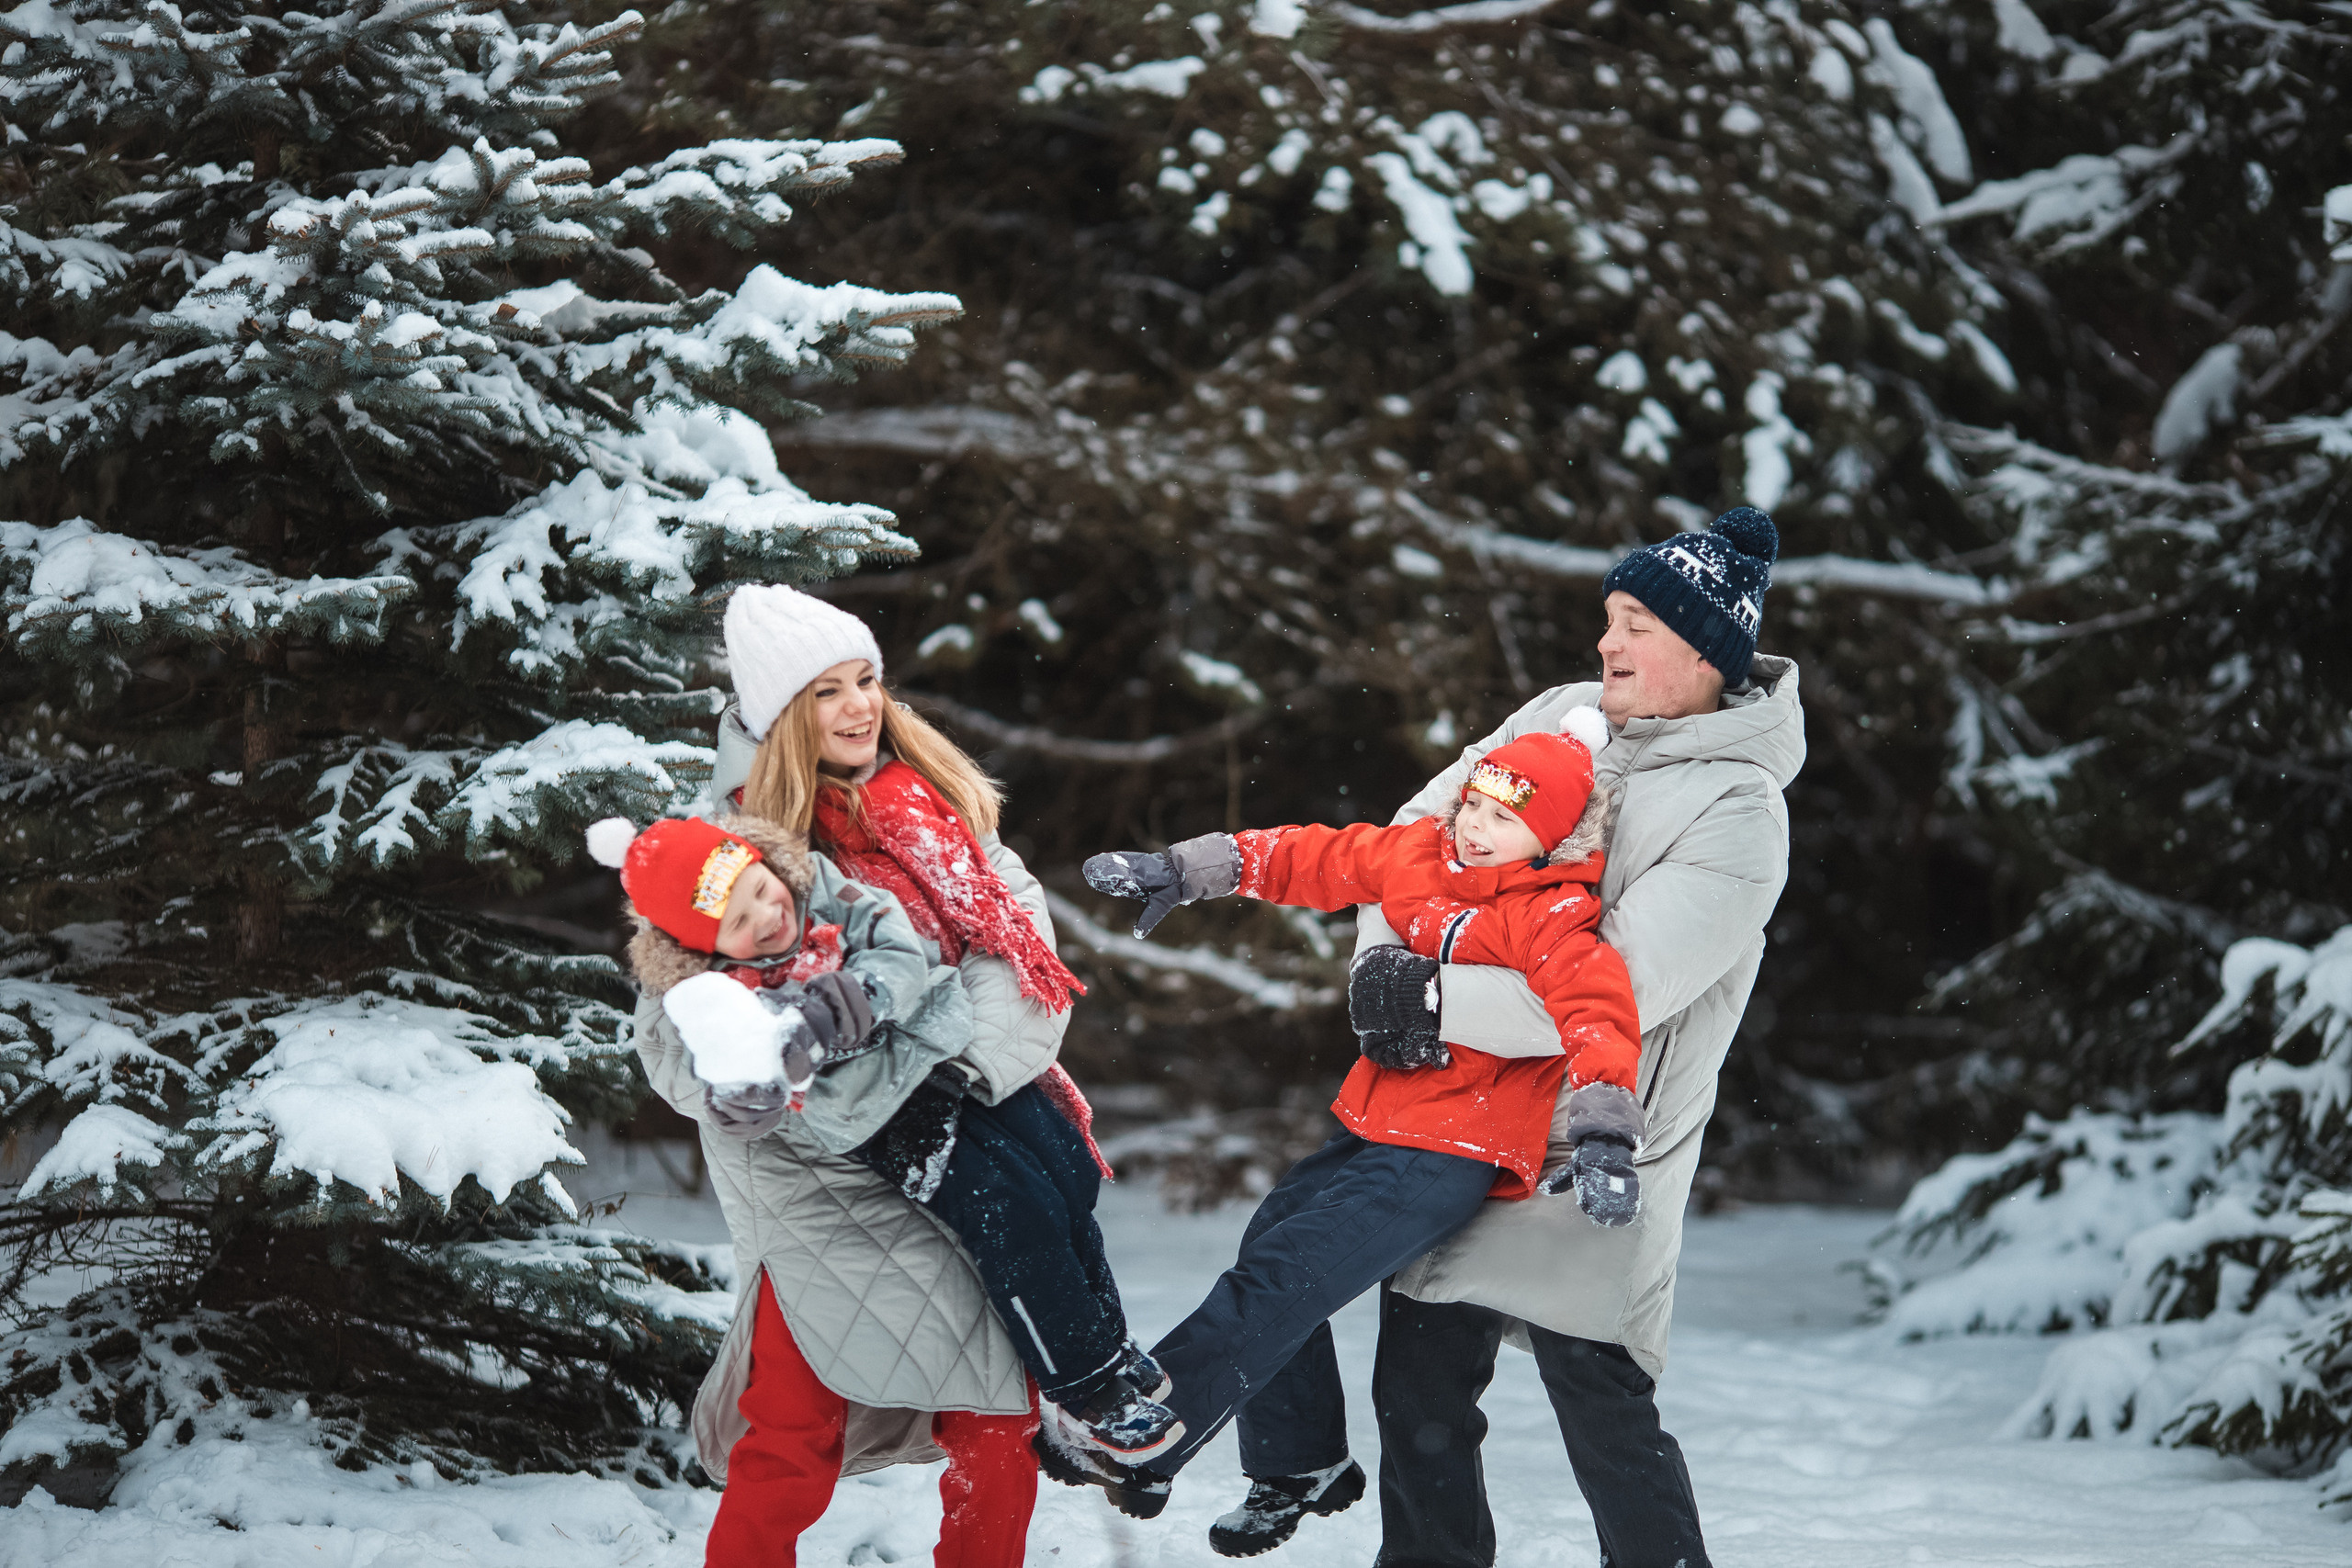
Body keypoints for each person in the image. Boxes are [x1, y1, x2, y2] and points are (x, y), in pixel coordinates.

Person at [1068, 705, 1648, 1545]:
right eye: (1478, 806)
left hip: (1457, 1147)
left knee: (1290, 1271)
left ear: (1551, 835)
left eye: (1509, 819)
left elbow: (1600, 1015)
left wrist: (1604, 1131)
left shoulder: (1551, 916)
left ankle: (1147, 1423)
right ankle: (1300, 1462)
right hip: (1373, 1120)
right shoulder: (1419, 853)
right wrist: (1187, 867)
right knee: (1273, 1237)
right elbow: (1311, 854)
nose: (1481, 829)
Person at [626, 582, 1110, 1568]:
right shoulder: (718, 848)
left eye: (867, 681)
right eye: (824, 693)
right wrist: (781, 1081)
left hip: (962, 1143)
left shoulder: (942, 816)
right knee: (789, 1443)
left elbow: (1024, 981)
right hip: (820, 1187)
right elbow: (674, 1035)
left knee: (993, 1436)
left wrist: (944, 1081)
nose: (858, 708)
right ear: (775, 720)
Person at [595, 810, 1181, 1459]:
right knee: (1010, 1211)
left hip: (943, 1055)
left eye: (760, 889)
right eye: (737, 922)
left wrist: (845, 999)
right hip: (883, 1116)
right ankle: (1083, 1386)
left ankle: (1107, 1339)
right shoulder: (726, 998)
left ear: (764, 864)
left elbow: (898, 950)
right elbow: (737, 1081)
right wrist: (760, 1078)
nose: (766, 915)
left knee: (1064, 1165)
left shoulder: (824, 889)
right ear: (707, 946)